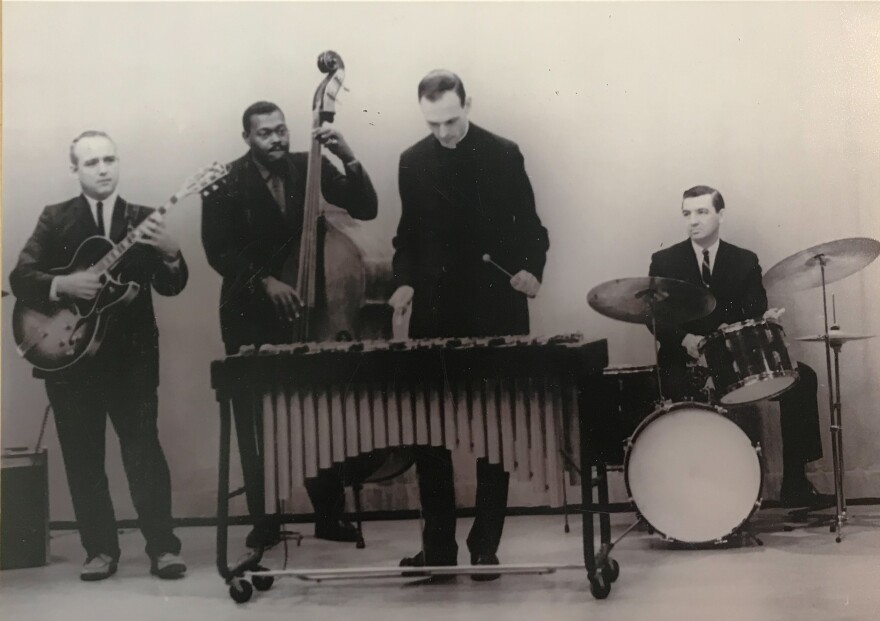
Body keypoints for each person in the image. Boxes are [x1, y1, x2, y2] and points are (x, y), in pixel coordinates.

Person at [389, 70, 549, 581]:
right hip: (434, 312)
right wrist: (403, 282)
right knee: (428, 435)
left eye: (451, 120)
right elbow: (406, 238)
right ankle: (438, 547)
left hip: (493, 307)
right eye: (433, 123)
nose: (443, 133)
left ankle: (485, 545)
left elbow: (532, 229)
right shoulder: (412, 162)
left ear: (468, 105)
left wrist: (530, 271)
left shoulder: (504, 153)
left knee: (493, 432)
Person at [9, 130, 188, 581]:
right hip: (70, 354)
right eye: (92, 163)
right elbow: (21, 276)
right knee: (83, 456)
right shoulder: (55, 219)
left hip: (131, 358)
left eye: (110, 159)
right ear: (75, 169)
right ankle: (99, 551)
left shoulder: (143, 218)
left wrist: (171, 255)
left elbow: (172, 285)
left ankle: (164, 549)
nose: (104, 168)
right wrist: (62, 285)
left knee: (144, 450)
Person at [201, 101, 378, 548]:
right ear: (247, 138)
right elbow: (218, 250)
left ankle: (328, 515)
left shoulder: (310, 166)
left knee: (318, 412)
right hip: (250, 314)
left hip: (309, 312)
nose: (277, 138)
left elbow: (366, 207)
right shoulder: (225, 179)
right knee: (256, 422)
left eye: (281, 130)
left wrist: (348, 156)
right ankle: (264, 520)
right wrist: (265, 282)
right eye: (265, 133)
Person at [648, 185, 828, 507]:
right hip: (683, 360)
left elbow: (754, 308)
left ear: (720, 215)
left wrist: (764, 318)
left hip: (736, 359)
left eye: (702, 212)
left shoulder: (744, 260)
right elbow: (653, 316)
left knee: (805, 380)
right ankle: (683, 496)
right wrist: (686, 340)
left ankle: (796, 485)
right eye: (687, 213)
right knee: (669, 396)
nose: (693, 220)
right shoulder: (664, 261)